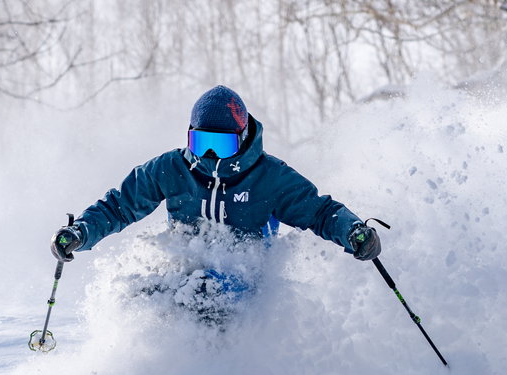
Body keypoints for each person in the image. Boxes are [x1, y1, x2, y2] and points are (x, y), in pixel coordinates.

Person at [51, 85, 381, 271]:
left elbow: (320, 212)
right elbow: (119, 207)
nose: (209, 156)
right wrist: (80, 232)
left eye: (221, 144)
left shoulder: (270, 176)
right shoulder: (172, 168)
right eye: (201, 142)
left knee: (210, 291)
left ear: (242, 138)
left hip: (244, 269)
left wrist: (353, 231)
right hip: (186, 265)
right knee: (148, 292)